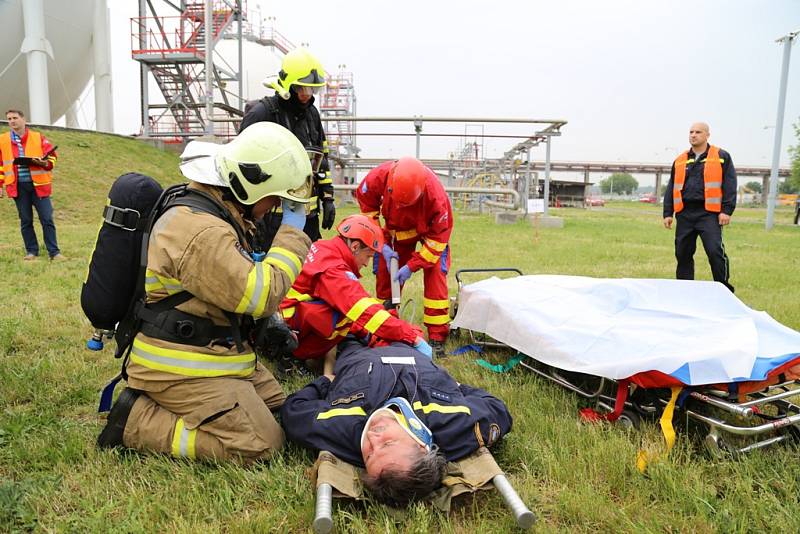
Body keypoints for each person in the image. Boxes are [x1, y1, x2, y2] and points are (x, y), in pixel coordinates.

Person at [97, 122, 314, 463]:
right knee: (262, 443)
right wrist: (291, 236)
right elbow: (260, 297)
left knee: (281, 412)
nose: (274, 207)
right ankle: (135, 419)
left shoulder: (212, 209)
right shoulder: (202, 231)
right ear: (250, 187)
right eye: (275, 198)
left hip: (219, 355)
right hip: (181, 365)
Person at [281, 339, 512, 508]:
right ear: (423, 446)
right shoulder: (454, 424)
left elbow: (293, 411)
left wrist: (324, 382)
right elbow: (498, 409)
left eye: (369, 454)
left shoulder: (340, 427)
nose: (372, 438)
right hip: (404, 343)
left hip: (357, 349)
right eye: (388, 443)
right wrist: (460, 387)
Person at [280, 214, 432, 370]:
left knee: (350, 311)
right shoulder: (333, 269)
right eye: (368, 256)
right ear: (355, 247)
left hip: (282, 319)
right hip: (288, 332)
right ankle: (294, 356)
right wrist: (412, 337)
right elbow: (364, 311)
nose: (367, 264)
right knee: (343, 315)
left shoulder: (325, 247)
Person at [356, 157, 454, 357]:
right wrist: (381, 245)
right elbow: (368, 213)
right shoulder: (377, 178)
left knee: (435, 276)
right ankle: (386, 323)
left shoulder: (437, 199)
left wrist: (411, 266)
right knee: (386, 274)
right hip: (396, 232)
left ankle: (437, 336)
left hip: (429, 233)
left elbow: (436, 243)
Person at [239, 48, 334, 244]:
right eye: (303, 89)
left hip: (309, 218)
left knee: (309, 269)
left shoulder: (312, 114)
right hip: (272, 218)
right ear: (288, 84)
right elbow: (242, 165)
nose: (307, 95)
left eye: (312, 90)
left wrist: (327, 198)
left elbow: (321, 157)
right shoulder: (262, 114)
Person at [663, 122, 736, 292]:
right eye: (691, 132)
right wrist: (668, 212)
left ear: (707, 135)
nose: (693, 135)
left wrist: (726, 210)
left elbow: (730, 184)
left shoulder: (721, 156)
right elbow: (671, 187)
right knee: (682, 254)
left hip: (708, 214)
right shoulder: (680, 160)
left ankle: (724, 289)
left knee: (714, 252)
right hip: (685, 214)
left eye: (698, 132)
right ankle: (685, 290)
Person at [1, 109, 64, 261]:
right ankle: (31, 252)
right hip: (18, 187)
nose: (12, 121)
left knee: (47, 219)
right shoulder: (2, 140)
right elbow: (1, 165)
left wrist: (44, 163)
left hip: (39, 186)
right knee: (26, 220)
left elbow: (52, 157)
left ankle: (54, 252)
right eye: (9, 119)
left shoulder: (38, 137)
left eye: (15, 118)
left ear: (23, 119)